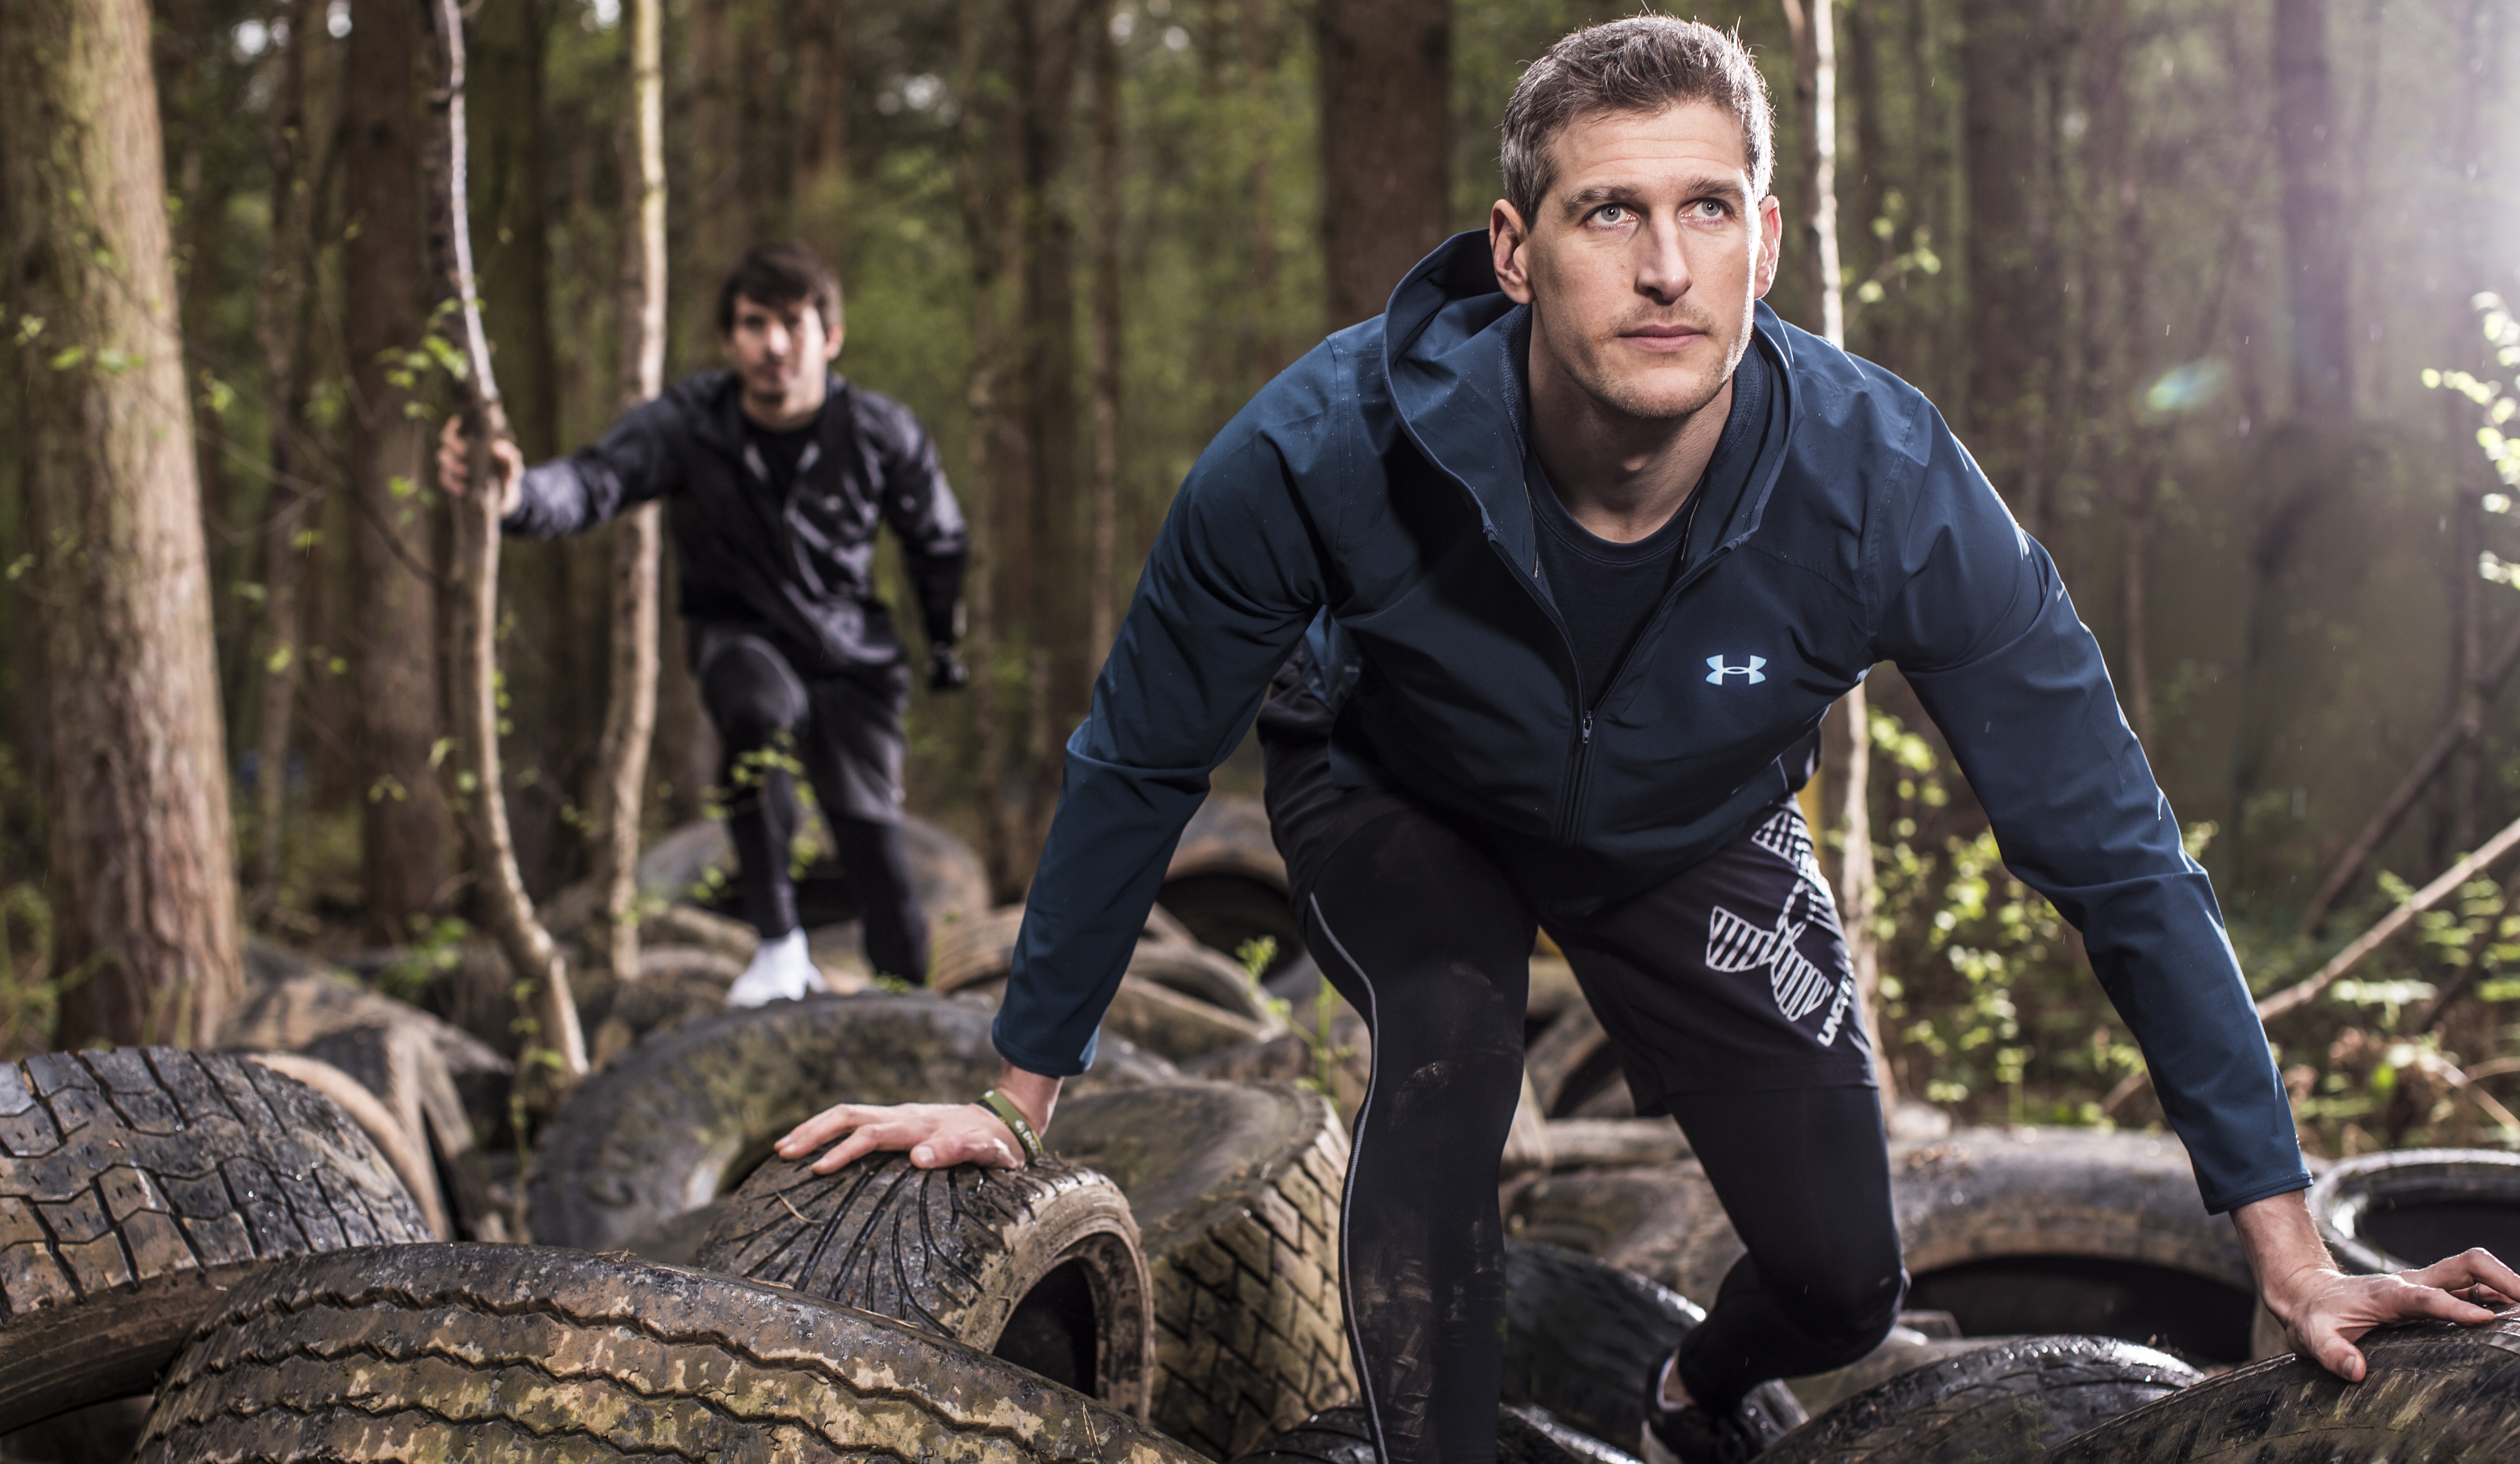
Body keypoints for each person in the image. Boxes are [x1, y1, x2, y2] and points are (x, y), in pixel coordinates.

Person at [776, 18, 2520, 1464]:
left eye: (1706, 209)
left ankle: (1679, 1398)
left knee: (1843, 1277)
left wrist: (2284, 1250)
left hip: (1694, 825)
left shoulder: (1887, 485)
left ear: (1768, 239)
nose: (1666, 265)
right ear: (1516, 249)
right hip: (1397, 789)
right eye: (1610, 214)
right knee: (1451, 1049)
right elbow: (1140, 756)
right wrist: (1015, 1097)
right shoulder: (1317, 448)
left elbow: (2115, 853)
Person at [439, 242, 968, 1005]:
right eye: (754, 325)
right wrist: (516, 496)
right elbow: (595, 481)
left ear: (832, 335)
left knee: (871, 843)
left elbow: (939, 540)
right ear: (729, 341)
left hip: (852, 659)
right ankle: (779, 946)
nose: (774, 345)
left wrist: (944, 639)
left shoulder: (880, 432)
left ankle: (912, 1009)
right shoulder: (690, 423)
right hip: (739, 636)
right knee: (752, 706)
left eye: (793, 323)